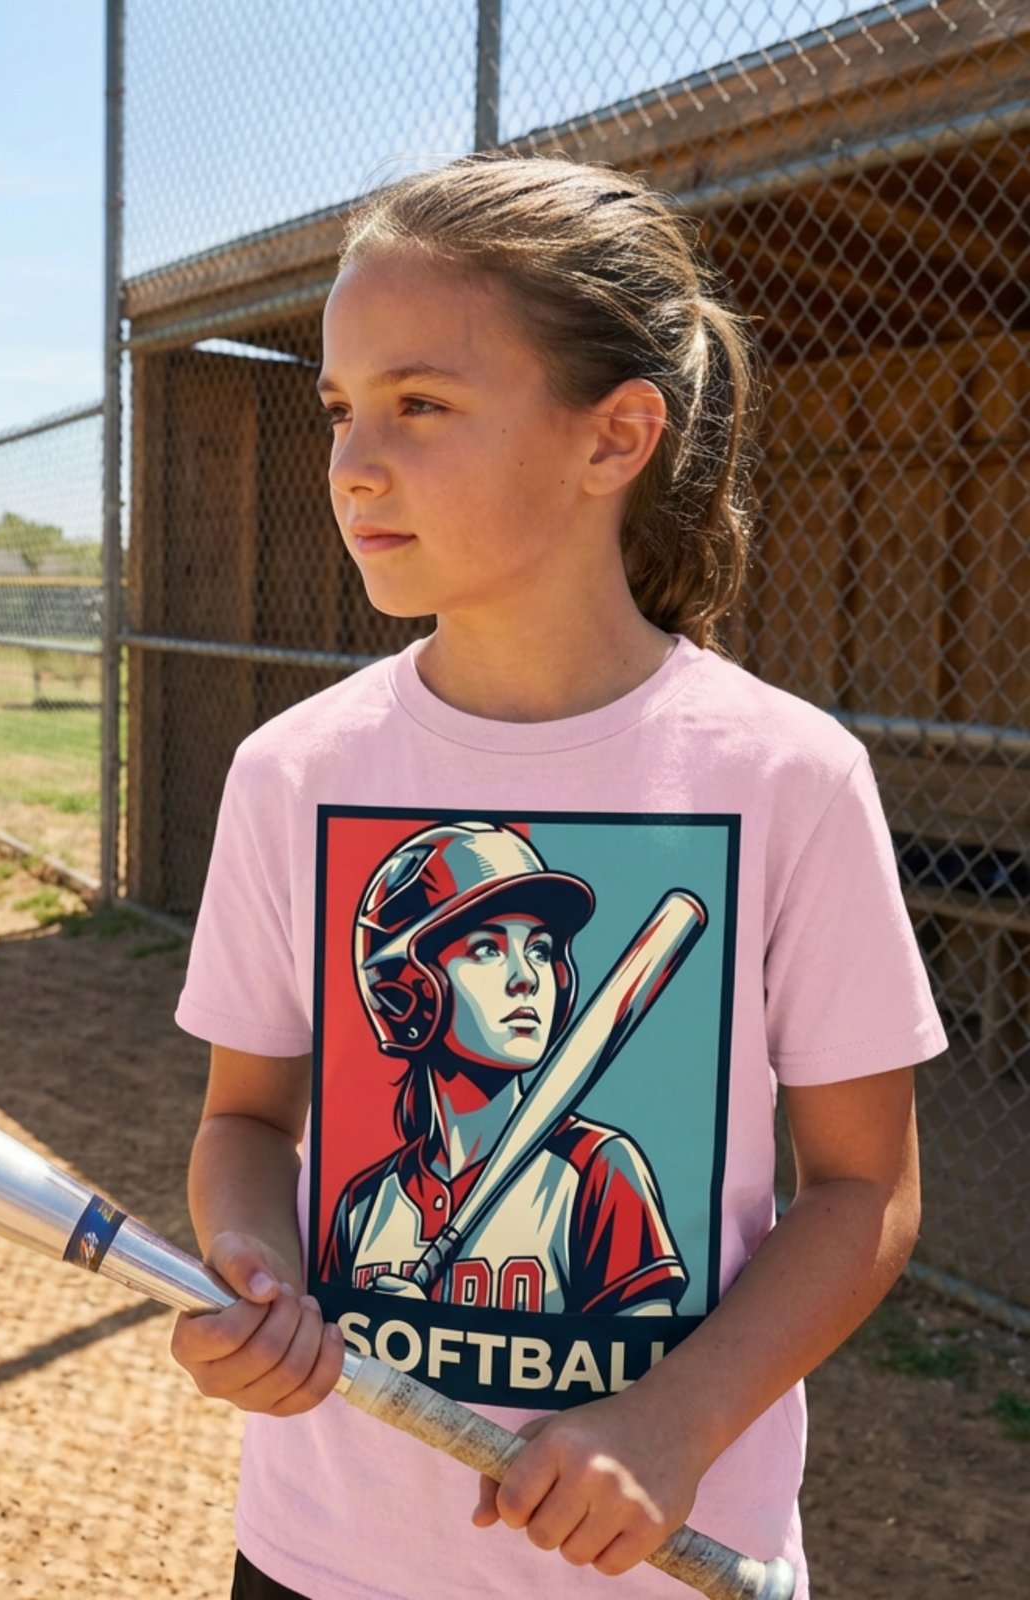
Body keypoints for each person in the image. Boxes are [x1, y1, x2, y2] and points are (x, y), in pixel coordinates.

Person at [170, 153, 944, 1600]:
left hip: (665, 1563)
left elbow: (864, 1192)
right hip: (330, 1554)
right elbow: (245, 1124)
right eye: (340, 409)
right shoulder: (295, 769)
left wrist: (677, 1413)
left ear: (615, 437)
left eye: (421, 404)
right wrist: (258, 1271)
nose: (351, 461)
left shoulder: (783, 773)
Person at [319, 820, 688, 1319]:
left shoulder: (595, 1168)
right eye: (487, 949)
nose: (526, 979)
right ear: (407, 992)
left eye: (539, 949)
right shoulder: (364, 1206)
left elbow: (645, 1374)